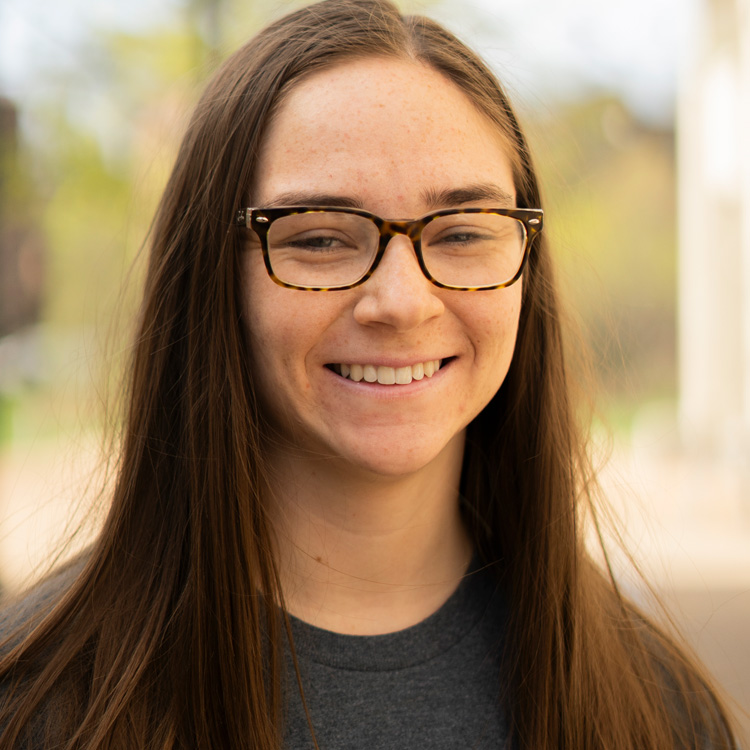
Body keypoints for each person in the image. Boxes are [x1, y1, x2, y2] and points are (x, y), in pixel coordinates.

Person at [0, 0, 742, 747]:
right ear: (209, 279)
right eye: (321, 239)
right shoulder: (36, 709)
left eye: (460, 232)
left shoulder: (659, 708)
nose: (401, 302)